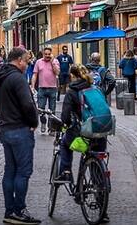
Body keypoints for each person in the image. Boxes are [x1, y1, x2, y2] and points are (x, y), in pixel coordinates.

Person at [57, 64, 110, 222]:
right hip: (101, 132)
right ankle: (103, 209)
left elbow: (65, 117)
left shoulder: (72, 91)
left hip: (83, 132)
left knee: (65, 144)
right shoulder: (96, 88)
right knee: (95, 166)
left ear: (72, 76)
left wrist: (64, 125)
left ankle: (65, 170)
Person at [0, 47, 40, 224]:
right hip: (20, 130)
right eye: (26, 61)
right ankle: (19, 210)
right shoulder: (18, 78)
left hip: (5, 128)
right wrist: (33, 122)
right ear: (19, 60)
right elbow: (27, 105)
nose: (27, 64)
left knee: (10, 170)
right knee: (23, 171)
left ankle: (9, 211)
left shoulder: (1, 77)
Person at [31, 47, 60, 134]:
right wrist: (32, 86)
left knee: (52, 110)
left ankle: (51, 128)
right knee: (41, 109)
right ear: (43, 54)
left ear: (51, 54)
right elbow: (35, 75)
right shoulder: (38, 62)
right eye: (45, 54)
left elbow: (57, 73)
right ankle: (43, 123)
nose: (47, 56)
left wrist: (52, 63)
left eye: (49, 54)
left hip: (52, 88)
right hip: (42, 88)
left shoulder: (55, 61)